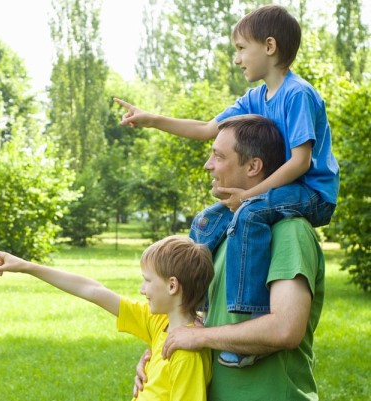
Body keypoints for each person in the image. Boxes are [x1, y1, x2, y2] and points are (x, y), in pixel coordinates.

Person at [115, 4, 338, 367]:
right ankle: (194, 312)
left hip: (311, 192)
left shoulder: (297, 94)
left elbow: (300, 162)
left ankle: (245, 322)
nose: (236, 59)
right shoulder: (255, 99)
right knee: (208, 219)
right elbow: (207, 129)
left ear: (269, 46)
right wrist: (152, 119)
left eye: (241, 48)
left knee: (248, 214)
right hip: (274, 190)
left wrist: (250, 195)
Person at [133, 115, 326, 401]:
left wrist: (200, 337)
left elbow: (286, 329)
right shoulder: (225, 232)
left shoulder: (290, 232)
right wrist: (162, 354)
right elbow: (200, 317)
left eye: (218, 156)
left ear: (253, 166)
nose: (208, 165)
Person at [0, 235, 214, 401]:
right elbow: (93, 290)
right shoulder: (159, 323)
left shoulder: (187, 353)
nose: (142, 289)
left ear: (172, 285)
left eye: (147, 280)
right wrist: (26, 266)